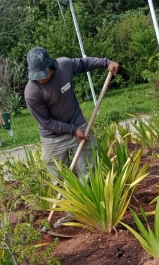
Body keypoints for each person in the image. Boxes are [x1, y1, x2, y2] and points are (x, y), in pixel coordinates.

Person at [24, 47, 119, 227]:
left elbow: (84, 64)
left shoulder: (64, 66)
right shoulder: (32, 92)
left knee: (89, 169)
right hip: (52, 137)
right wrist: (72, 130)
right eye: (36, 75)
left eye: (43, 74)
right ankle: (73, 211)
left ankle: (94, 208)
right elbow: (47, 122)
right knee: (60, 177)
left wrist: (106, 62)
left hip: (78, 125)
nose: (40, 78)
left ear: (51, 66)